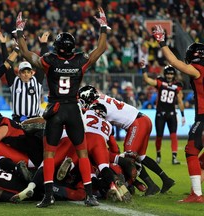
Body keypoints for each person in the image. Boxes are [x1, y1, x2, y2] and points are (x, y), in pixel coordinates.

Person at [14, 7, 110, 207]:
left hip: (56, 109)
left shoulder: (49, 61)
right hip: (73, 109)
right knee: (82, 152)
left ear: (56, 47)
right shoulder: (81, 60)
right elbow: (100, 49)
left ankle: (48, 195)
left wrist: (20, 32)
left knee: (49, 154)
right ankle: (89, 195)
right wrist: (103, 27)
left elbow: (25, 52)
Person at [78, 85, 175, 196]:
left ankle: (150, 185)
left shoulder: (96, 106)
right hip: (144, 119)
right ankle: (166, 179)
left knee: (129, 158)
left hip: (136, 124)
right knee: (141, 157)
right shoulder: (101, 98)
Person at [152, 24, 204, 203]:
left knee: (191, 150)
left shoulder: (198, 70)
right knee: (202, 160)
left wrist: (161, 42)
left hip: (203, 118)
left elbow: (174, 62)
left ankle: (196, 195)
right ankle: (195, 190)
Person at [0, 30, 50, 123]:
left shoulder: (37, 80)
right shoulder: (14, 81)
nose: (26, 74)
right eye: (23, 72)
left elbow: (42, 63)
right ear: (19, 73)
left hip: (35, 119)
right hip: (17, 120)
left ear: (31, 73)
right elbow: (7, 64)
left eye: (28, 72)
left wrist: (44, 44)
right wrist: (3, 44)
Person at [141, 61, 185, 165]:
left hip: (171, 113)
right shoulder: (160, 82)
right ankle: (158, 155)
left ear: (173, 75)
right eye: (168, 73)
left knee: (173, 135)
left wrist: (182, 115)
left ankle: (174, 157)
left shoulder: (177, 86)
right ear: (165, 74)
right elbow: (147, 80)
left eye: (171, 74)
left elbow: (180, 101)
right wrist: (143, 68)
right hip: (160, 113)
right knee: (159, 136)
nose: (169, 75)